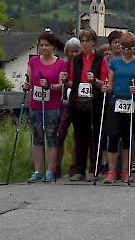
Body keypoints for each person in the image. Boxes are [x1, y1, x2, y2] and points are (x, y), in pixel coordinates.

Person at [101, 32, 135, 184]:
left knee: (127, 138)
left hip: (132, 103)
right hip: (115, 102)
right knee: (113, 137)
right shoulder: (114, 62)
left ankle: (126, 171)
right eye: (124, 47)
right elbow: (111, 83)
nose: (126, 51)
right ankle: (112, 171)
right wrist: (106, 87)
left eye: (130, 48)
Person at [22, 32, 68, 183]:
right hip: (35, 104)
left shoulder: (60, 63)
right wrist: (26, 85)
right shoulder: (33, 61)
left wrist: (49, 86)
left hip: (53, 106)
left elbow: (62, 85)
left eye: (47, 45)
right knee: (37, 137)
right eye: (41, 45)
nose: (43, 48)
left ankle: (50, 169)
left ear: (53, 47)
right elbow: (29, 80)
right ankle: (37, 170)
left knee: (51, 137)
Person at [66, 29, 109, 182]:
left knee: (94, 136)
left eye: (87, 41)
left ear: (93, 42)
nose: (84, 44)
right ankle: (79, 169)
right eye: (82, 41)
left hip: (95, 101)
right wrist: (64, 80)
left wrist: (94, 80)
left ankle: (94, 168)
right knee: (80, 136)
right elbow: (72, 81)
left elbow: (104, 82)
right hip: (78, 101)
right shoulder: (76, 59)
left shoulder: (101, 58)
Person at [56, 37, 80, 178]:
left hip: (77, 103)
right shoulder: (64, 65)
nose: (73, 54)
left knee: (77, 136)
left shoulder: (82, 65)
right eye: (71, 51)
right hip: (64, 104)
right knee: (60, 135)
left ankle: (74, 165)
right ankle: (56, 166)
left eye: (76, 51)